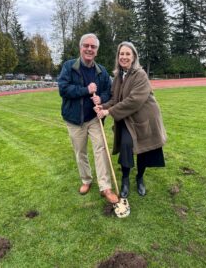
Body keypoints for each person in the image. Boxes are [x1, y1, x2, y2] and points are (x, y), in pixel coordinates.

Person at [95, 41, 167, 198]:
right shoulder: (118, 76)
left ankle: (140, 178)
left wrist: (109, 111)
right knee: (127, 145)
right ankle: (125, 180)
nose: (124, 57)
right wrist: (103, 106)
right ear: (118, 57)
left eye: (128, 54)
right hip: (127, 118)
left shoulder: (140, 75)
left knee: (143, 150)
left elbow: (134, 100)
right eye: (121, 54)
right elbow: (115, 99)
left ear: (134, 57)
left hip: (144, 118)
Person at [57, 33, 118, 204]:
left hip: (94, 119)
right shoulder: (69, 67)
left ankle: (105, 187)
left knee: (101, 149)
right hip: (74, 120)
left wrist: (101, 99)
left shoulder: (101, 71)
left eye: (93, 47)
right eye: (87, 46)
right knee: (80, 152)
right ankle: (86, 180)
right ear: (80, 47)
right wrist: (86, 90)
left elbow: (108, 91)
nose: (89, 49)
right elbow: (63, 89)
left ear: (96, 51)